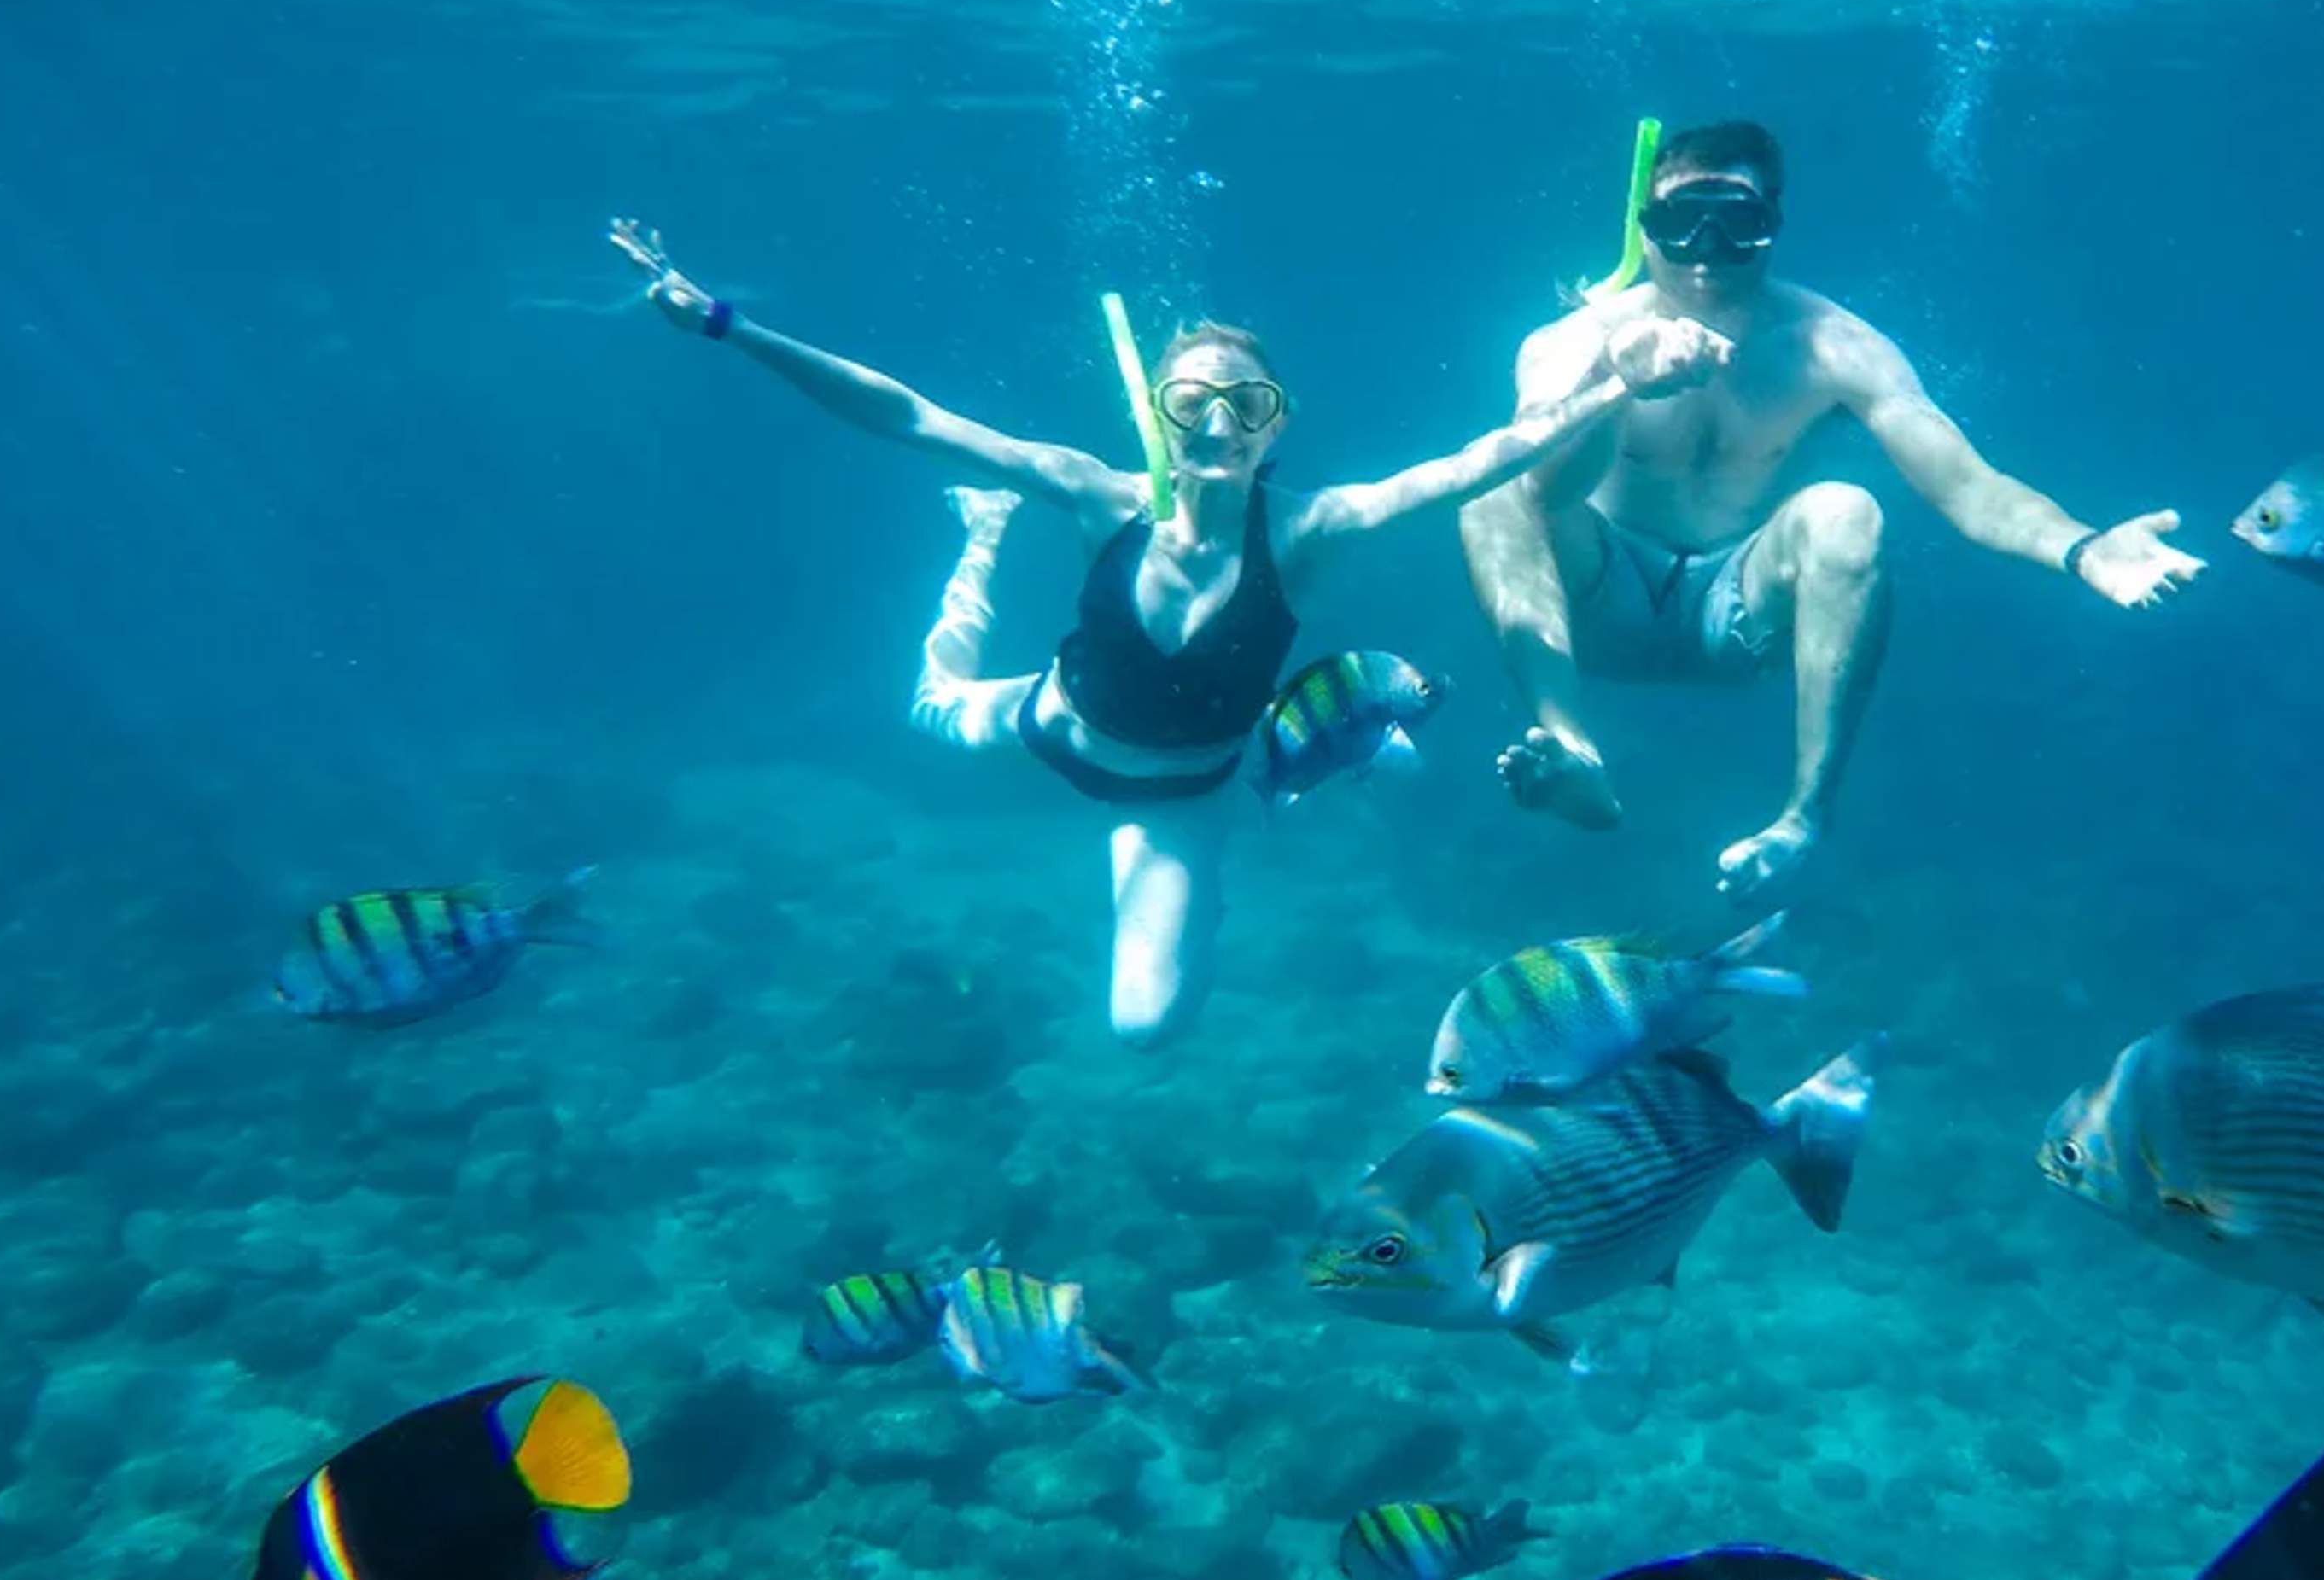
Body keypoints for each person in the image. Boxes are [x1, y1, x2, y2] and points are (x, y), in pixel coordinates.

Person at [618, 221, 1723, 1047]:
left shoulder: (1310, 533)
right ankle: (979, 545)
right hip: (1048, 724)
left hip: (1185, 797)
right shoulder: (1099, 496)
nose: (1216, 426)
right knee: (926, 703)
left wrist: (1613, 392)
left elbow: (1480, 462)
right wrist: (730, 326)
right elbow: (908, 416)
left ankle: (1287, 787)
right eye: (1190, 404)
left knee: (1146, 1029)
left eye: (1244, 406)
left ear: (1276, 422)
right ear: (1154, 415)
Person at [1457, 120, 2201, 901]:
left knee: (1848, 509)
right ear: (1645, 232)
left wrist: (2084, 549)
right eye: (1680, 222)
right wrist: (1615, 386)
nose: (1705, 248)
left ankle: (1803, 817)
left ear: (1773, 227)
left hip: (1738, 618)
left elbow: (1968, 486)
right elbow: (1543, 493)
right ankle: (1572, 749)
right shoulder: (1572, 342)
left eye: (1736, 222)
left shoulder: (1836, 348)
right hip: (1596, 608)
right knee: (1492, 484)